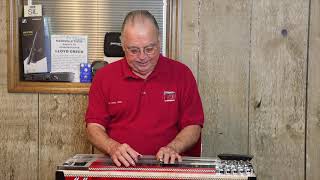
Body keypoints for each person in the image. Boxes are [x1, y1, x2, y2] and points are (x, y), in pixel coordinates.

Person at [85, 10, 204, 167]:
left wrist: (173, 147)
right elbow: (94, 127)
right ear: (122, 45)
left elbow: (193, 126)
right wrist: (112, 147)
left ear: (159, 40)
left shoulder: (182, 74)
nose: (142, 57)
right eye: (134, 50)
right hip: (120, 170)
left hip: (171, 168)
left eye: (149, 49)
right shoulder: (104, 77)